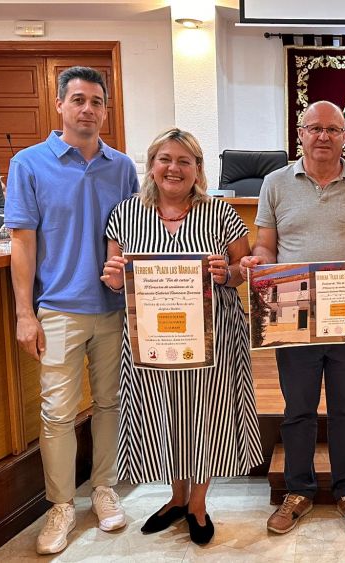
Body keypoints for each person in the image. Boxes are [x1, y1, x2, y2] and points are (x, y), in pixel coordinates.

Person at [100, 127, 263, 546]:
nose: (174, 168)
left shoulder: (222, 213)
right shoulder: (124, 214)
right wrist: (114, 278)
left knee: (206, 412)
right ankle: (175, 497)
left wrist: (227, 272)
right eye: (165, 159)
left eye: (184, 161)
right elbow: (116, 276)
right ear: (152, 165)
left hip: (214, 336)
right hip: (152, 338)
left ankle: (198, 504)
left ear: (197, 169)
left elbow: (245, 271)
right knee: (166, 411)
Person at [4, 66, 139, 555]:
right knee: (58, 412)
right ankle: (60, 504)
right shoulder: (29, 164)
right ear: (60, 104)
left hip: (114, 309)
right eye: (78, 100)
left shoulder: (122, 167)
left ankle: (104, 488)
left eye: (97, 102)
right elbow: (22, 242)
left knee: (110, 404)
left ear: (106, 110)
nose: (88, 109)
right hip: (58, 309)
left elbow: (134, 234)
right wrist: (25, 313)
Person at [240, 100, 345, 537]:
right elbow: (266, 245)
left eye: (333, 129)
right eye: (315, 128)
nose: (323, 136)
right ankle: (298, 491)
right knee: (298, 408)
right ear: (300, 134)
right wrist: (258, 263)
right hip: (292, 312)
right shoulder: (275, 183)